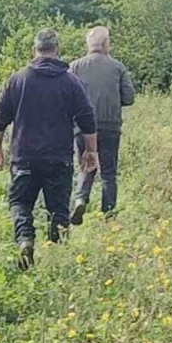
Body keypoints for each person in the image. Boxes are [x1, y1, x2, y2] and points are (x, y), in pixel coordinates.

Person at [0, 28, 98, 269]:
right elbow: (87, 118)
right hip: (58, 158)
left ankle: (25, 240)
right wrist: (91, 151)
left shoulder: (17, 79)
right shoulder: (71, 82)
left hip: (24, 157)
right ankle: (56, 260)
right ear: (57, 50)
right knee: (58, 208)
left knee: (20, 203)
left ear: (34, 50)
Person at [68, 26, 135, 225]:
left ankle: (80, 199)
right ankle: (108, 216)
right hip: (110, 126)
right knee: (108, 173)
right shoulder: (118, 67)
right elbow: (129, 98)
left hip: (81, 126)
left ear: (88, 45)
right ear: (106, 44)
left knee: (85, 166)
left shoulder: (74, 67)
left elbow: (66, 96)